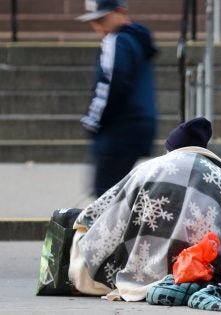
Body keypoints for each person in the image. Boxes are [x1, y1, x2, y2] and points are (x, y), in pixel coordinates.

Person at [69, 118, 221, 301]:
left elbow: (111, 214)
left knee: (89, 233)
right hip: (204, 272)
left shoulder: (149, 168)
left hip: (141, 272)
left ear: (172, 148)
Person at [76, 0, 158, 198]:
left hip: (118, 128)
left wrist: (93, 120)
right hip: (139, 124)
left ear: (120, 12)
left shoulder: (116, 41)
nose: (98, 27)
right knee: (120, 195)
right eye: (94, 22)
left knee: (104, 195)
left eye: (102, 19)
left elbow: (110, 82)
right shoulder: (137, 40)